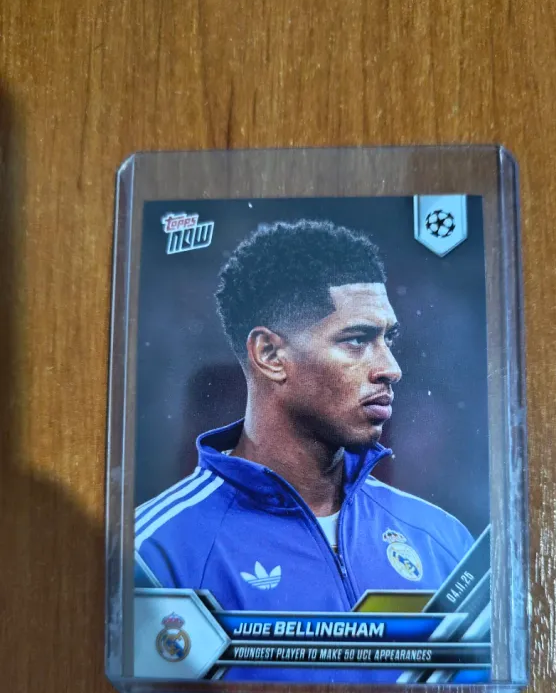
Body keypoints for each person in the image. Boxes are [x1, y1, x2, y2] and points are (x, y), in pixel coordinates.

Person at [134, 220, 473, 614]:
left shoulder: (442, 542)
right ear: (270, 355)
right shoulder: (158, 554)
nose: (391, 368)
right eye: (357, 339)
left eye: (388, 339)